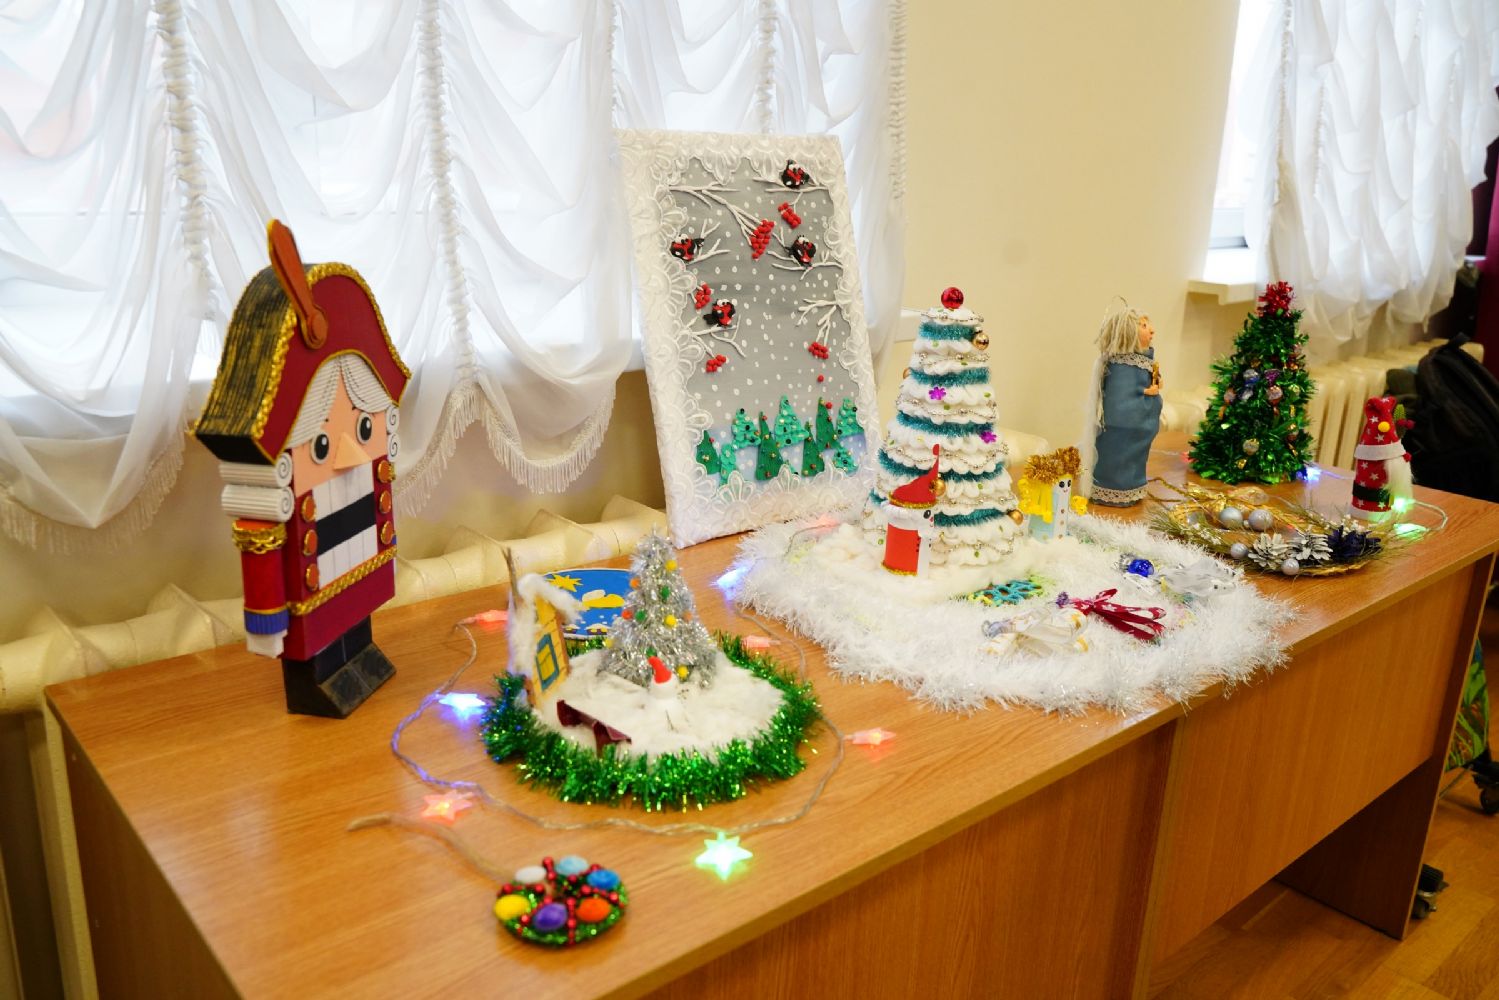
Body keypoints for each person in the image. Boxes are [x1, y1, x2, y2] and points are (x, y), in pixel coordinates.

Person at [194, 221, 409, 717]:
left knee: (355, 618)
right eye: (321, 443)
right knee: (321, 633)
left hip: (354, 555)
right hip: (314, 582)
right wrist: (267, 621)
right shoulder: (272, 504)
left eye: (364, 428)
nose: (352, 457)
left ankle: (359, 654)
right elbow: (261, 548)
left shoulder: (368, 480)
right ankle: (320, 678)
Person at [1081, 302, 1162, 506]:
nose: (1152, 330)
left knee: (1132, 461)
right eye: (1144, 326)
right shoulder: (1123, 366)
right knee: (1118, 461)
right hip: (1122, 430)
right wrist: (1146, 393)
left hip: (1134, 431)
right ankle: (1114, 491)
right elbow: (1121, 400)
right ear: (1128, 332)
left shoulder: (1140, 361)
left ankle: (1128, 490)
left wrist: (1151, 390)